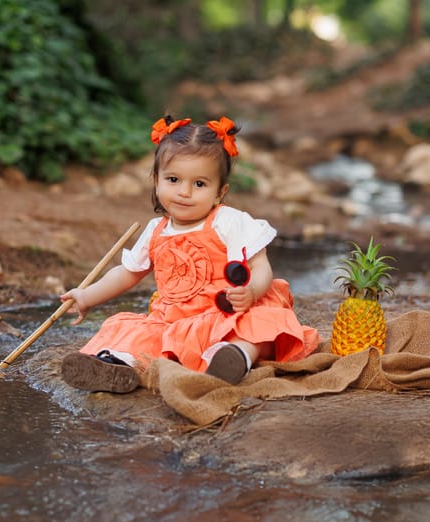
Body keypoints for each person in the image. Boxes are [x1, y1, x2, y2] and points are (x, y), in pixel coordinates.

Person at [59, 115, 321, 393]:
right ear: (156, 181)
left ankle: (234, 358)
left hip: (226, 315)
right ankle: (118, 367)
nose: (184, 192)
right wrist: (87, 297)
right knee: (134, 332)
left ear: (220, 192)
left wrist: (252, 292)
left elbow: (260, 268)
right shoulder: (155, 230)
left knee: (261, 321)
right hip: (175, 321)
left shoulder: (228, 222)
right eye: (173, 179)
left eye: (199, 184)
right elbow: (127, 273)